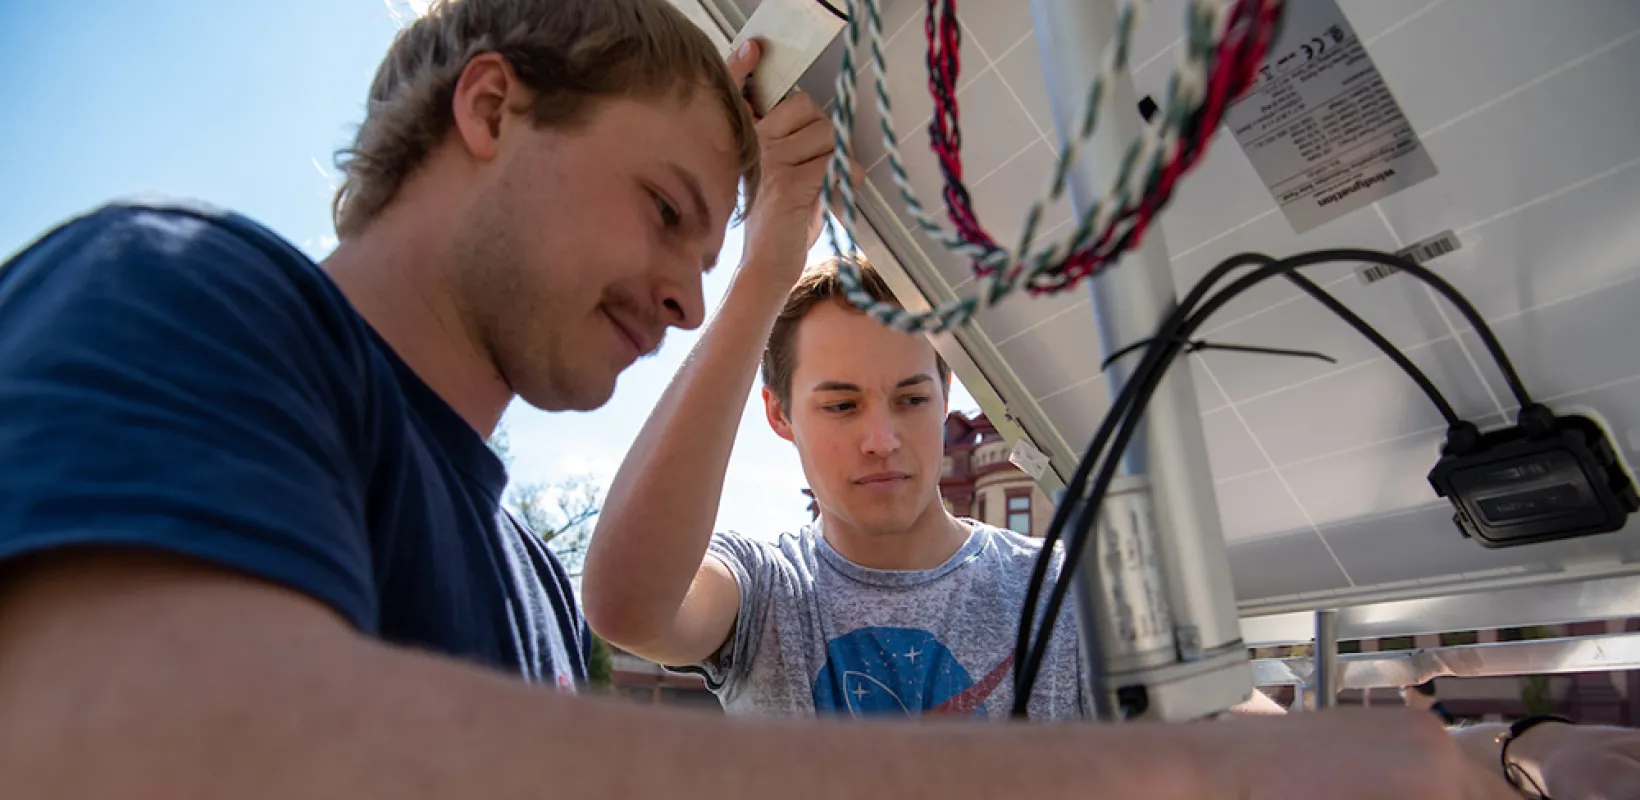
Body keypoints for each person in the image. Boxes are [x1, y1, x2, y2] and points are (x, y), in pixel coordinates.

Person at [0, 0, 1516, 797]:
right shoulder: (177, 280)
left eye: (710, 252)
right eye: (666, 208)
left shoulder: (524, 576)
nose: (683, 290)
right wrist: (1180, 777)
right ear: (489, 107)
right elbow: (152, 755)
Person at [585, 256, 1086, 719]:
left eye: (911, 399)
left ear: (944, 392)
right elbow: (628, 611)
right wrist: (763, 271)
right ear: (780, 413)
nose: (882, 441)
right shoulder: (763, 592)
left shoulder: (1065, 590)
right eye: (842, 406)